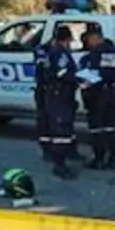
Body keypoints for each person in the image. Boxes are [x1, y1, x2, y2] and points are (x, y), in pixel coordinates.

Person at [78, 28, 115, 169]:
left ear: (95, 37)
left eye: (89, 39)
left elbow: (92, 77)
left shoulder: (95, 53)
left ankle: (98, 159)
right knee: (113, 128)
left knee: (97, 128)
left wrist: (82, 83)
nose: (88, 42)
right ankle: (113, 159)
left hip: (98, 95)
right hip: (114, 94)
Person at [42, 25, 79, 179]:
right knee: (60, 131)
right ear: (67, 39)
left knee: (65, 130)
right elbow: (62, 74)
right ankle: (59, 165)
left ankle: (63, 161)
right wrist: (79, 79)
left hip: (62, 96)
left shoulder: (58, 52)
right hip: (59, 96)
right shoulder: (59, 54)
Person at [32, 36, 53, 161]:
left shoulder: (54, 51)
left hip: (50, 91)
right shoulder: (43, 52)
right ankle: (47, 149)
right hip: (44, 90)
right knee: (44, 119)